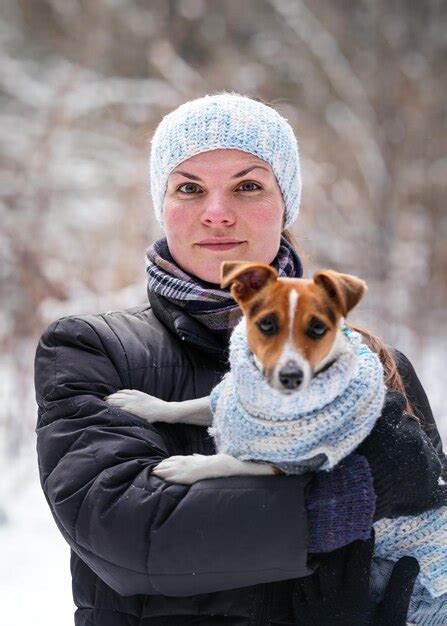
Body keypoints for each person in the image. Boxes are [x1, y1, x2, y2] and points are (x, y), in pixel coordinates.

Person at [34, 92, 446, 626]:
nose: (217, 214)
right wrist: (327, 508)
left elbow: (429, 533)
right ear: (163, 206)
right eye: (189, 188)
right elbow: (125, 531)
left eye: (248, 186)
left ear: (286, 204)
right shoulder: (94, 350)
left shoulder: (372, 367)